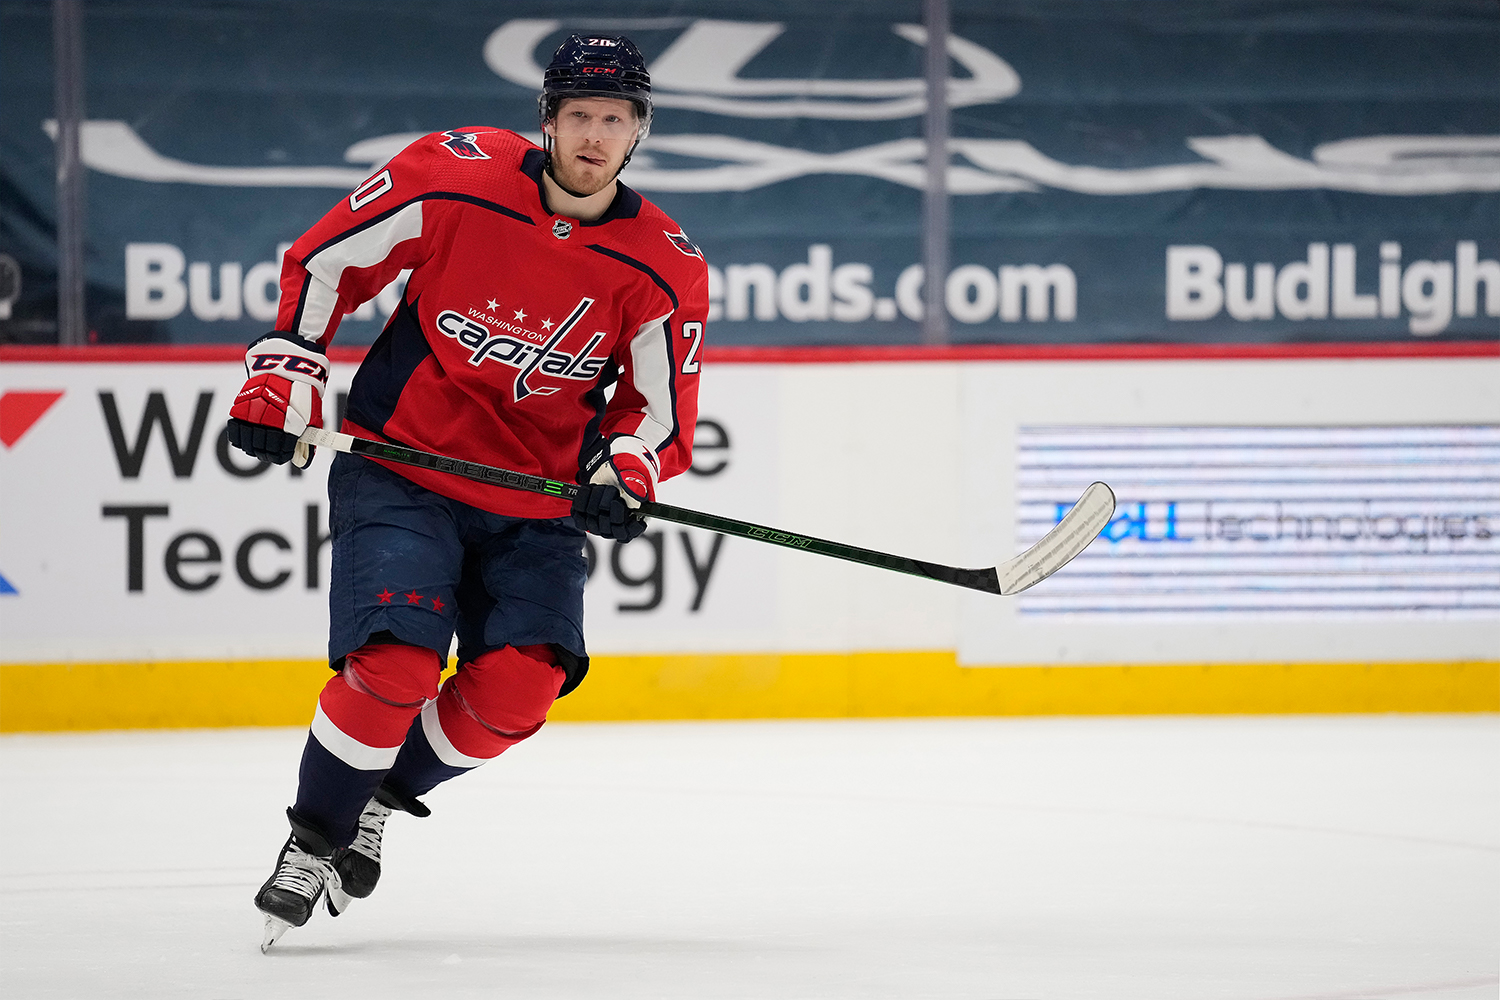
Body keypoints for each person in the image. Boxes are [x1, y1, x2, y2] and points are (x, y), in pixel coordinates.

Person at [226, 33, 708, 951]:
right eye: (579, 116)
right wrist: (287, 368)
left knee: (521, 692)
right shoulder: (456, 176)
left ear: (639, 130)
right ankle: (314, 838)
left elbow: (656, 409)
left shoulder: (664, 267)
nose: (594, 136)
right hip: (403, 467)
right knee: (395, 669)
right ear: (548, 120)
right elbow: (329, 260)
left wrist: (626, 469)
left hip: (535, 501)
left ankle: (382, 795)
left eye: (615, 119)